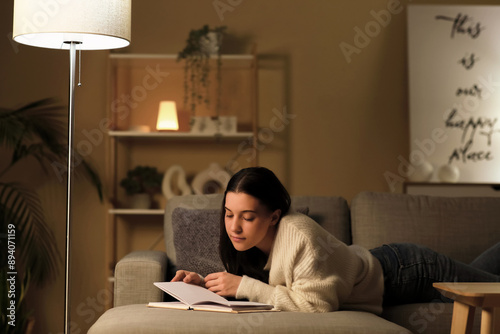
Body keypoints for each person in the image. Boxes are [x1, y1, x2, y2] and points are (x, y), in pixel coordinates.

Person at [172, 167, 500, 313]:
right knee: (487, 287)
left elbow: (318, 305)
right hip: (384, 272)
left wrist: (243, 286)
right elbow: (267, 295)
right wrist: (205, 287)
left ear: (273, 216)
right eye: (229, 214)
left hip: (409, 271)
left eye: (248, 216)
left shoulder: (301, 236)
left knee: (492, 299)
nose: (235, 226)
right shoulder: (246, 244)